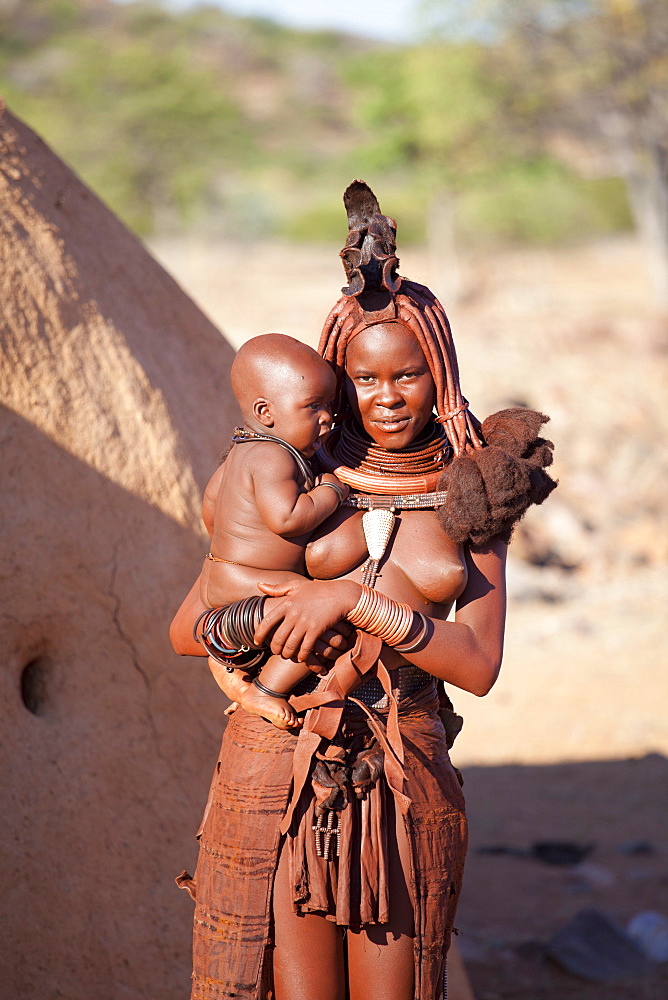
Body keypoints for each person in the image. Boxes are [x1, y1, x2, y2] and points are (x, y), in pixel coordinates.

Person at [172, 181, 556, 1000]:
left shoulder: (477, 489)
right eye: (365, 377)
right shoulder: (292, 472)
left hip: (403, 770)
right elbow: (189, 622)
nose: (388, 398)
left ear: (440, 369)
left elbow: (479, 664)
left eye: (409, 374)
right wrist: (258, 638)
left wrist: (350, 601)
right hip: (278, 765)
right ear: (335, 377)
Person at [198, 332, 350, 729]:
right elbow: (289, 518)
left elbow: (210, 507)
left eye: (330, 405)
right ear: (266, 412)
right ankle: (264, 691)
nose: (327, 418)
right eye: (313, 407)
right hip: (253, 581)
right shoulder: (272, 456)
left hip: (226, 574)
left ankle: (231, 671)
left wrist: (232, 546)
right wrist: (331, 492)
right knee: (318, 619)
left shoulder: (240, 454)